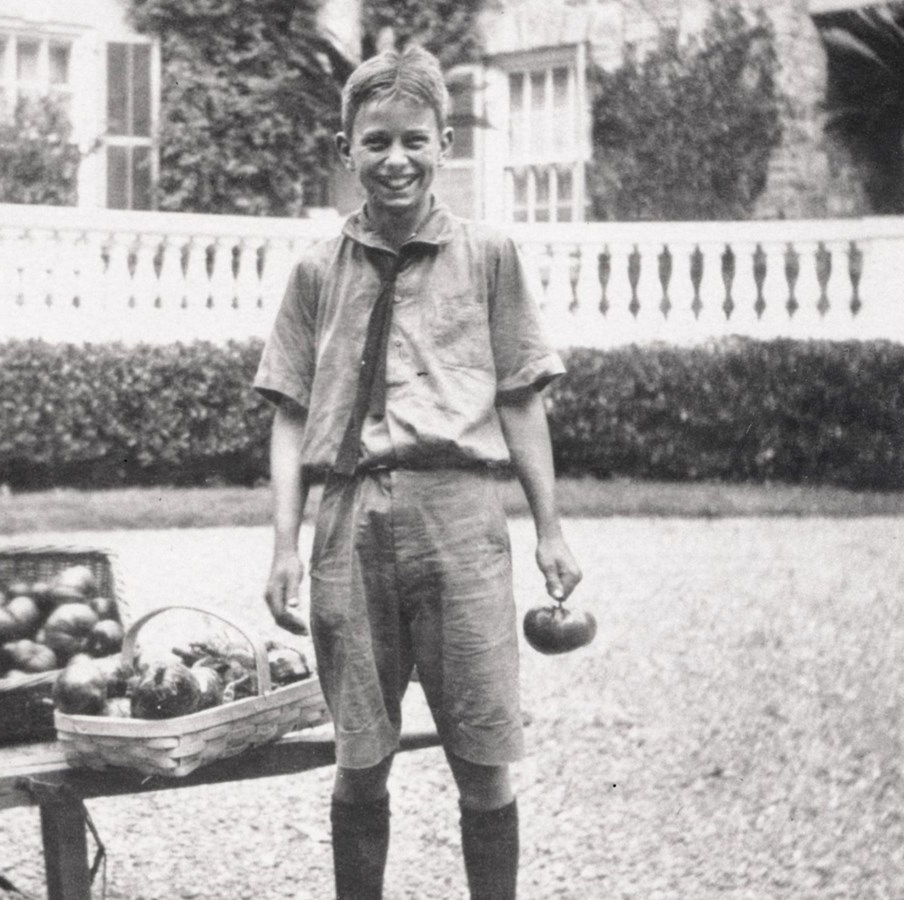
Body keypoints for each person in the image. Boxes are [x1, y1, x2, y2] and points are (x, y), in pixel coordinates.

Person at [255, 46, 584, 900]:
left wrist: (549, 529)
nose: (395, 160)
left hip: (460, 520)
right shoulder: (314, 271)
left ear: (444, 145)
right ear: (345, 149)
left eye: (414, 141)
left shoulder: (489, 256)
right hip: (349, 523)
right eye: (376, 142)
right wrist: (284, 545)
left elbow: (520, 399)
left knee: (483, 759)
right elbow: (290, 415)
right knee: (360, 758)